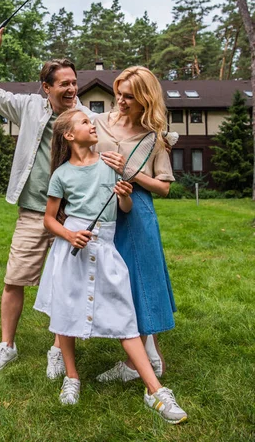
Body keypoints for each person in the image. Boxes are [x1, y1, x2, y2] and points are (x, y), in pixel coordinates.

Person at [34, 109, 187, 424]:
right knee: (66, 314)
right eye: (85, 122)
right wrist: (68, 234)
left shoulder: (109, 162)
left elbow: (124, 208)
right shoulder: (60, 174)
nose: (93, 125)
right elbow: (49, 218)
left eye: (92, 122)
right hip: (70, 249)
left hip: (106, 248)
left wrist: (126, 196)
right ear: (68, 135)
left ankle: (154, 391)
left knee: (124, 316)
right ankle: (71, 377)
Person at [0, 26, 92, 378]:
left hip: (71, 214)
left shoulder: (84, 116)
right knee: (15, 279)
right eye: (64, 84)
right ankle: (6, 346)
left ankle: (58, 349)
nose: (72, 89)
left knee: (64, 283)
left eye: (74, 82)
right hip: (32, 211)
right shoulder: (28, 107)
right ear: (46, 87)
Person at [92, 66, 177, 384]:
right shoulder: (98, 123)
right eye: (119, 93)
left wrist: (129, 170)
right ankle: (145, 355)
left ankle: (138, 362)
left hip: (137, 214)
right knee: (109, 285)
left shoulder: (153, 138)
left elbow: (164, 188)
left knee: (140, 283)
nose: (121, 101)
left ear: (145, 100)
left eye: (130, 97)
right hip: (98, 209)